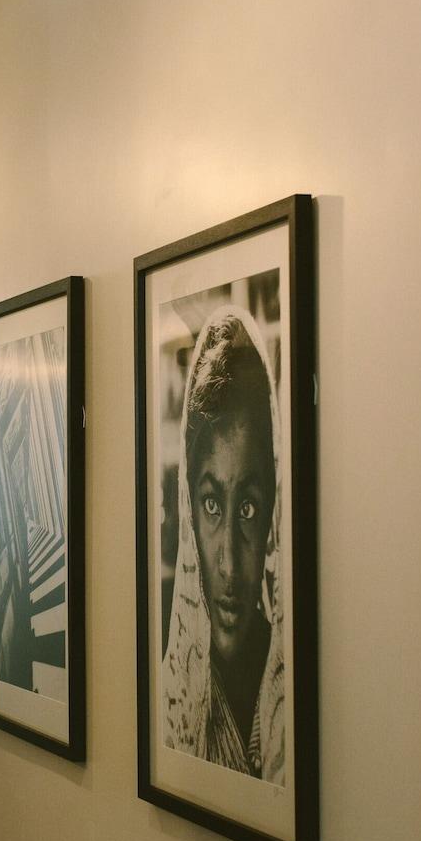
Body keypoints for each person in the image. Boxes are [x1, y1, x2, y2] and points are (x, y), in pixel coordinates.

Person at [160, 306, 289, 783]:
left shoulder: (294, 691)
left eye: (249, 509)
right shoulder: (169, 705)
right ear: (189, 507)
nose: (230, 563)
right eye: (212, 505)